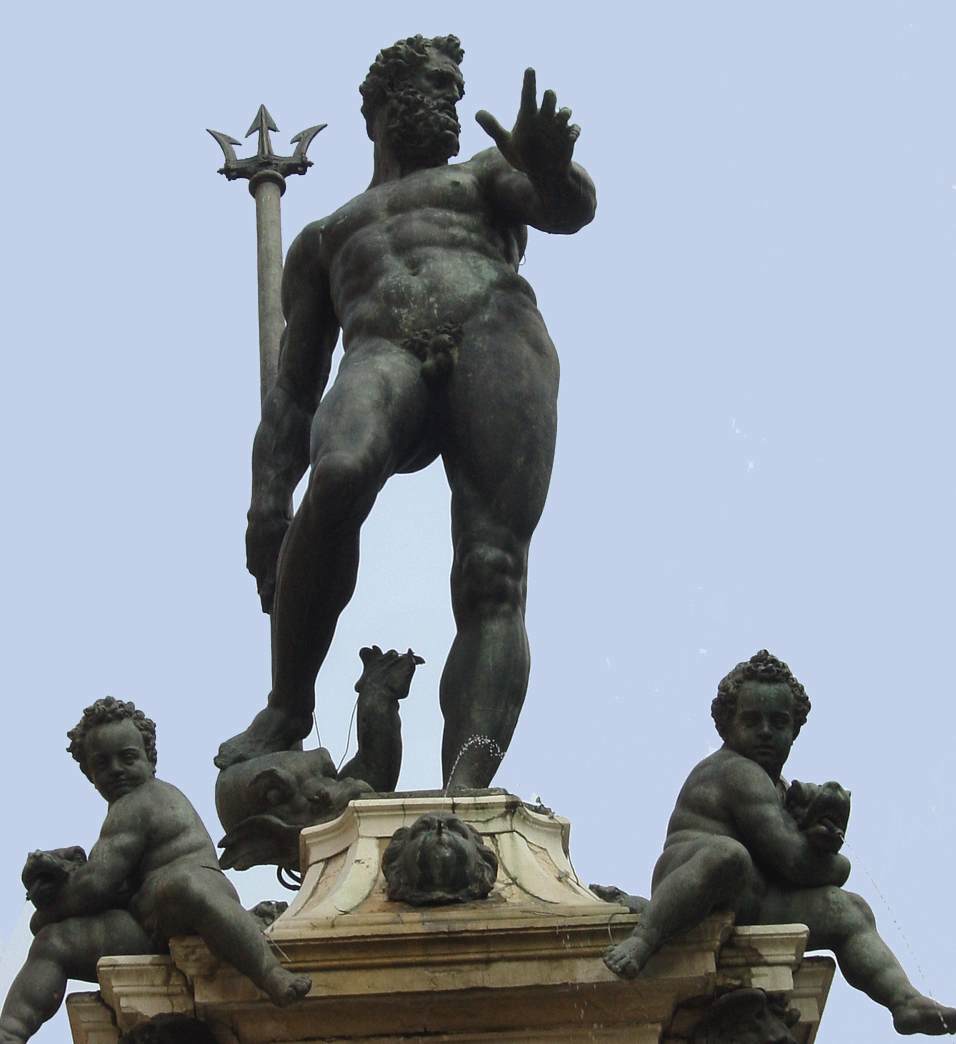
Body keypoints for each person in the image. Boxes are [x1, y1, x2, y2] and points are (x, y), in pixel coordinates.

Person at [215, 34, 596, 790]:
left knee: (493, 569)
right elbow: (294, 391)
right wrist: (266, 505)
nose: (452, 102)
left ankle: (467, 780)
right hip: (382, 349)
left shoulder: (486, 173)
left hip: (495, 329)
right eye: (437, 85)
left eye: (458, 90)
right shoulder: (326, 237)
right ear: (382, 105)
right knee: (341, 473)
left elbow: (565, 208)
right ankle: (288, 704)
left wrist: (550, 169)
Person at [600, 650, 956, 1037]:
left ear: (795, 730)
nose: (766, 732)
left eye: (779, 722)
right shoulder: (737, 772)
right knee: (729, 854)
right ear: (727, 725)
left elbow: (792, 860)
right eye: (752, 720)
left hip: (751, 899)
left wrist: (820, 836)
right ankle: (645, 938)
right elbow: (793, 862)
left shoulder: (778, 788)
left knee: (847, 909)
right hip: (693, 881)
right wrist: (836, 863)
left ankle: (904, 1001)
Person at [0, 699, 310, 1043]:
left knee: (183, 886)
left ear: (150, 759)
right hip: (147, 922)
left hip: (193, 903)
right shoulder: (119, 813)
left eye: (127, 757)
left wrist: (46, 913)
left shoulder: (146, 800)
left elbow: (96, 884)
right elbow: (105, 884)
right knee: (54, 943)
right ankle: (9, 1032)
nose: (116, 769)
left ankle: (270, 973)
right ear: (90, 774)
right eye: (102, 764)